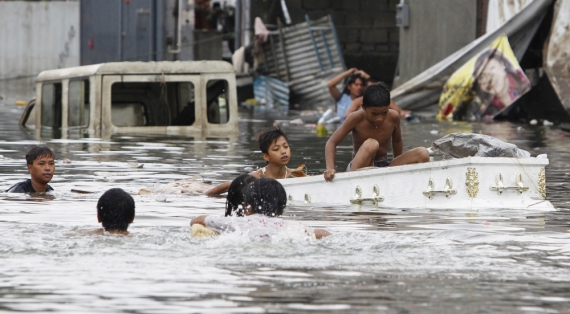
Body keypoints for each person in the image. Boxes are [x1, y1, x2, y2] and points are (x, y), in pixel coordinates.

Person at [324, 82, 430, 182]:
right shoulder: (355, 118)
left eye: (384, 113)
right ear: (363, 107)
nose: (380, 118)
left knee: (423, 153)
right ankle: (351, 184)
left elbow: (397, 142)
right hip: (358, 168)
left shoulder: (394, 116)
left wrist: (399, 169)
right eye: (374, 114)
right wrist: (330, 168)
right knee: (372, 144)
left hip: (384, 166)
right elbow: (331, 143)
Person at [192, 178, 331, 239]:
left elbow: (196, 220)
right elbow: (323, 233)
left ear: (247, 205)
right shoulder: (289, 227)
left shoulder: (237, 223)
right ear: (282, 208)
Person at [205, 127, 301, 195]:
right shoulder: (257, 177)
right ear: (266, 156)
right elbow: (228, 186)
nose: (283, 152)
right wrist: (205, 195)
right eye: (276, 149)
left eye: (286, 146)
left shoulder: (296, 175)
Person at [472, 49, 531, 116]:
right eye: (481, 77)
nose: (489, 79)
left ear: (502, 64)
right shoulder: (483, 110)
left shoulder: (522, 78)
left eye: (492, 68)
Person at [343, 79, 411, 120]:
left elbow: (400, 112)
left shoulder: (386, 100)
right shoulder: (359, 101)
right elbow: (346, 115)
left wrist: (403, 114)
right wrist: (363, 114)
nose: (374, 91)